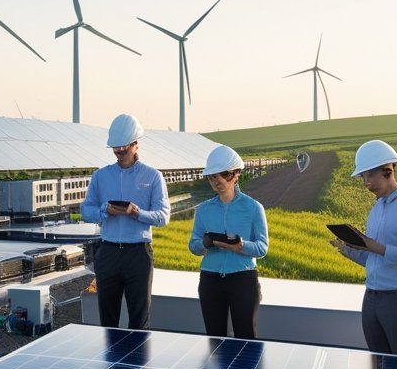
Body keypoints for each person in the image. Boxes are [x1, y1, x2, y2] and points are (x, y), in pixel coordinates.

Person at [331, 140, 397, 356]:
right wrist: (350, 249)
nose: (366, 183)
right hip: (371, 298)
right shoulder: (377, 208)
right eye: (362, 177)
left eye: (370, 175)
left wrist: (377, 247)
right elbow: (376, 257)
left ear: (388, 171)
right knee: (379, 366)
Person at [80, 113, 170, 329]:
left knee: (139, 320)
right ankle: (110, 362)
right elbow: (85, 211)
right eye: (115, 148)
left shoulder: (153, 176)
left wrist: (137, 213)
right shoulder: (100, 176)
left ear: (135, 144)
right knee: (107, 319)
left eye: (124, 148)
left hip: (138, 255)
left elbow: (163, 216)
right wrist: (104, 210)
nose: (119, 152)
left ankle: (137, 363)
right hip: (108, 253)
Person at [188, 145, 268, 338]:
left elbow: (262, 247)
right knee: (214, 338)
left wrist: (241, 246)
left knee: (246, 337)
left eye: (224, 175)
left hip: (243, 280)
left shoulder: (254, 208)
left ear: (237, 174)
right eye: (212, 177)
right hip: (210, 280)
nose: (217, 181)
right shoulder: (203, 210)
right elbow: (193, 245)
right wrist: (206, 243)